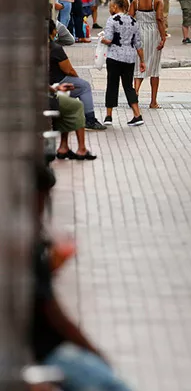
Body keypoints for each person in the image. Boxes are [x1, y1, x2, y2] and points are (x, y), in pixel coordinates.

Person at [32, 167, 134, 389]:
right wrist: (92, 350)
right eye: (43, 199)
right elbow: (53, 313)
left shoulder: (32, 244)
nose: (43, 207)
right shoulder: (29, 248)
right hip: (47, 353)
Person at [49, 22, 105, 132]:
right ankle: (90, 120)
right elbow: (69, 70)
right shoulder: (55, 48)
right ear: (53, 31)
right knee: (84, 86)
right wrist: (77, 78)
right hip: (56, 82)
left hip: (45, 83)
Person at [101, 0, 146, 127]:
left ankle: (109, 116)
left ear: (115, 7)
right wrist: (142, 61)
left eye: (110, 6)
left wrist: (102, 39)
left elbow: (109, 39)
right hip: (129, 58)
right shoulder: (133, 21)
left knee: (112, 85)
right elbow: (138, 43)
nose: (110, 9)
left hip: (114, 57)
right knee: (128, 86)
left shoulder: (112, 20)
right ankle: (137, 115)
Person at [129, 0, 166, 109]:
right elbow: (159, 18)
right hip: (153, 33)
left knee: (139, 65)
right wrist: (163, 36)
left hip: (138, 32)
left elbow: (130, 16)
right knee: (154, 68)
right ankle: (153, 101)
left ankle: (135, 94)